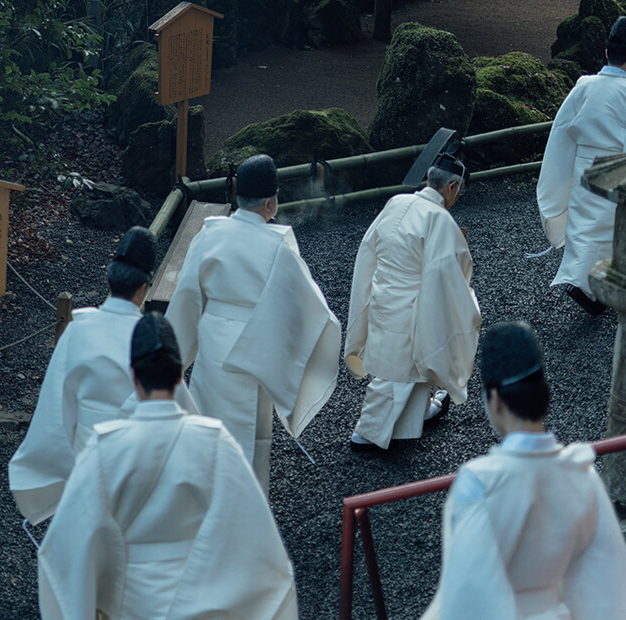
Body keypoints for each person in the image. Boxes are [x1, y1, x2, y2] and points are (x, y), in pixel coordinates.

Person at [37, 312, 299, 620]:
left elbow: (67, 546)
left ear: (133, 377)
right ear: (178, 378)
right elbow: (254, 537)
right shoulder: (215, 443)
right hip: (201, 597)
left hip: (128, 602)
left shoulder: (104, 448)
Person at [421, 321, 626, 619]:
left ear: (495, 401)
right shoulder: (582, 473)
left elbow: (468, 598)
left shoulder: (479, 482)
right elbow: (607, 585)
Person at [164, 153, 341, 491]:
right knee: (253, 439)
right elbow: (304, 311)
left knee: (207, 426)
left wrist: (175, 359)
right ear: (270, 204)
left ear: (238, 198)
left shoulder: (208, 236)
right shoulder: (278, 246)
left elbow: (187, 298)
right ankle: (248, 511)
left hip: (213, 345)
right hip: (256, 349)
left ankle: (203, 501)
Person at [8, 227, 195, 525]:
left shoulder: (79, 330)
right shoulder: (151, 338)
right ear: (144, 287)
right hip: (140, 472)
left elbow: (57, 412)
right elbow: (181, 415)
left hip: (87, 465)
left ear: (110, 277)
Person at [344, 153, 481, 450]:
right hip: (411, 307)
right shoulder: (440, 219)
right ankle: (366, 433)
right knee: (398, 374)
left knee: (413, 370)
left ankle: (417, 416)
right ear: (453, 187)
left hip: (383, 297)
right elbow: (450, 272)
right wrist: (459, 243)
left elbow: (369, 248)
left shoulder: (397, 202)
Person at [536, 16, 626, 316]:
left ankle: (585, 285)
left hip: (585, 172)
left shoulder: (584, 86)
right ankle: (596, 289)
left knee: (586, 234)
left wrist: (559, 178)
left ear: (606, 53)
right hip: (618, 175)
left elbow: (562, 133)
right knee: (614, 236)